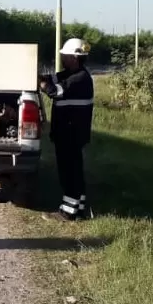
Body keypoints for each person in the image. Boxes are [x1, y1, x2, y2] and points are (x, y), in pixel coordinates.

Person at [39, 38, 95, 221]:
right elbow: (52, 79)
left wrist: (43, 85)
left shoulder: (79, 79)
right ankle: (78, 209)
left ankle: (67, 213)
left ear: (74, 58)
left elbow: (55, 91)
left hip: (70, 134)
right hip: (71, 133)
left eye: (64, 55)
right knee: (75, 171)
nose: (62, 58)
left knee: (69, 172)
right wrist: (39, 76)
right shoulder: (72, 74)